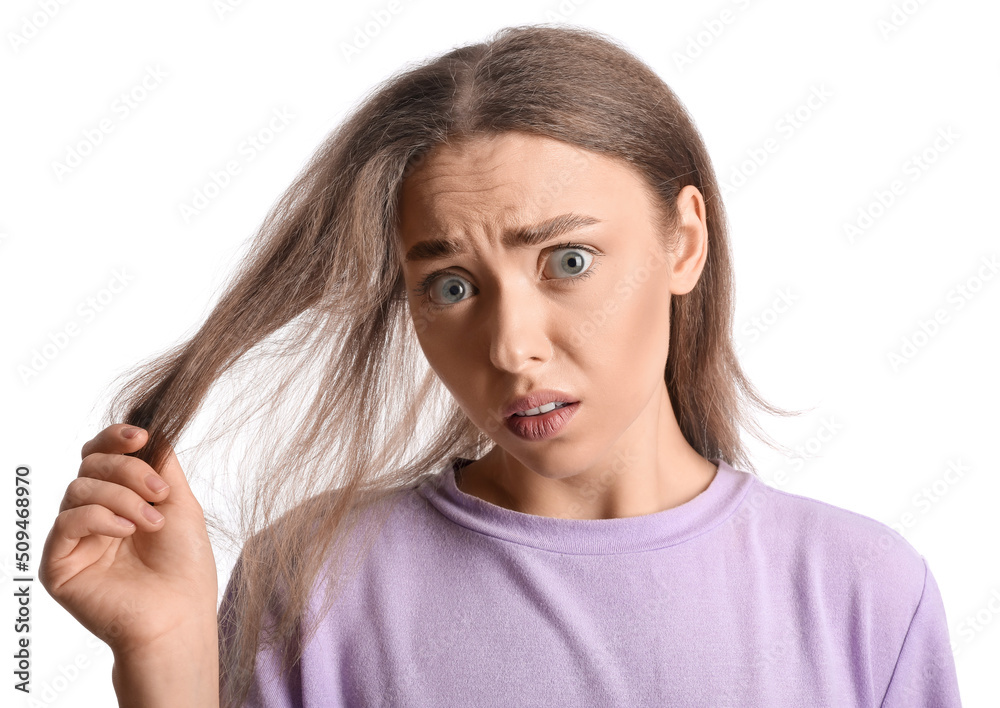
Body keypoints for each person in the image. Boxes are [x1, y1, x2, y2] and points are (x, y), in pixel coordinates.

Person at [39, 24, 962, 707]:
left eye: (566, 262)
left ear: (685, 241)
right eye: (449, 286)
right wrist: (164, 662)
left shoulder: (862, 593)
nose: (512, 347)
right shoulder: (315, 579)